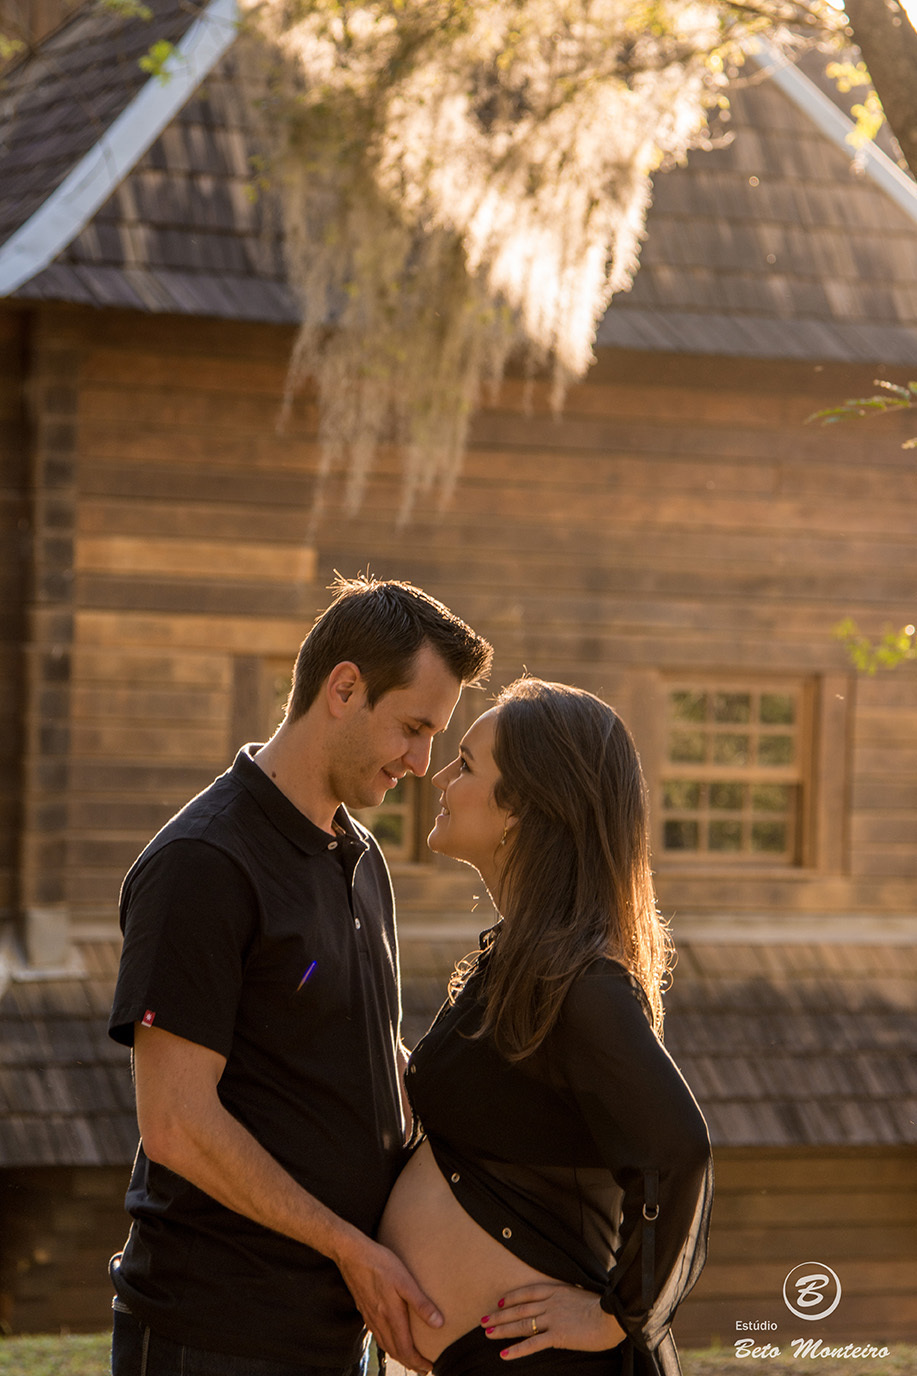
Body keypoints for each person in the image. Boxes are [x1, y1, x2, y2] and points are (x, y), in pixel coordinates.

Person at [107, 574, 493, 1376]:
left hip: (331, 1327)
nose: (422, 764)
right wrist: (350, 1247)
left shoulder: (358, 855)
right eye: (413, 728)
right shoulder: (202, 864)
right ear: (344, 689)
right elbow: (175, 1123)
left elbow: (367, 1049)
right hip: (211, 1335)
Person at [378, 678, 713, 1376]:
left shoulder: (581, 982)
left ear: (523, 809)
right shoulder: (520, 962)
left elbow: (677, 1151)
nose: (439, 775)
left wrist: (620, 1315)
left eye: (466, 764)